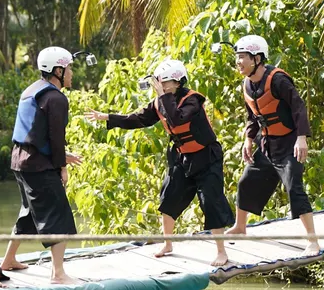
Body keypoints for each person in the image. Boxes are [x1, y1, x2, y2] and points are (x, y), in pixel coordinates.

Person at [85, 59, 235, 266]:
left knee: (211, 201)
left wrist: (163, 96)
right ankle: (168, 243)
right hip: (181, 158)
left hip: (206, 158)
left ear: (177, 82)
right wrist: (108, 117)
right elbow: (137, 119)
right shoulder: (160, 102)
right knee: (169, 197)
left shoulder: (192, 101)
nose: (160, 87)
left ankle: (221, 251)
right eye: (159, 83)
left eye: (163, 83)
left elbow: (178, 119)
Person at [224, 34, 322, 255]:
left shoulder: (278, 80)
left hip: (289, 143)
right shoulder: (247, 85)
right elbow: (252, 117)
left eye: (242, 57)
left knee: (294, 187)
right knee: (246, 181)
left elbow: (298, 107)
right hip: (267, 143)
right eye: (237, 57)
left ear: (257, 58)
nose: (238, 62)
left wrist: (302, 138)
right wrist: (248, 140)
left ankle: (313, 241)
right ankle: (240, 227)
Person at [1, 46, 82, 285]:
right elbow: (56, 137)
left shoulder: (31, 90)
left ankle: (8, 260)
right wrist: (62, 167)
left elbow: (35, 133)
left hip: (20, 161)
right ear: (58, 70)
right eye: (69, 69)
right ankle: (58, 273)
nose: (71, 74)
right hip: (37, 166)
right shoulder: (56, 98)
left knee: (28, 212)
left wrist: (61, 156)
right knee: (59, 215)